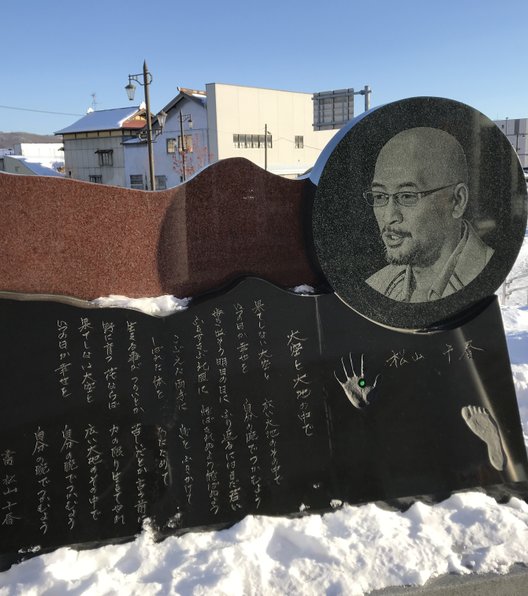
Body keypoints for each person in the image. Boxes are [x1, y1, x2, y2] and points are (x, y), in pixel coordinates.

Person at [364, 127, 494, 302]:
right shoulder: (378, 286)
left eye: (407, 196)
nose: (389, 217)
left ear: (457, 201)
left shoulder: (487, 270)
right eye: (380, 196)